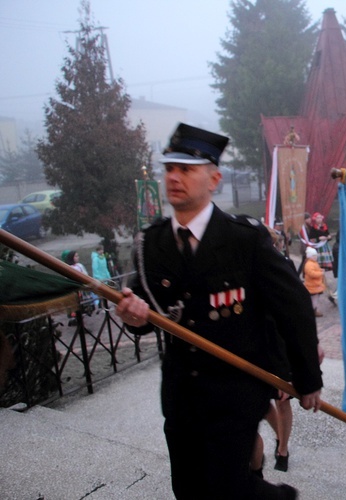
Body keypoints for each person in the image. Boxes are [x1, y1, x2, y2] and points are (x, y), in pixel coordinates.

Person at [115, 122, 323, 500]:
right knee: (189, 492)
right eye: (169, 169)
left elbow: (294, 308)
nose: (174, 177)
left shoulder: (245, 240)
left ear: (214, 179)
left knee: (227, 489)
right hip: (181, 396)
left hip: (236, 393)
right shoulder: (151, 243)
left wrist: (308, 378)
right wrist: (133, 318)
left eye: (187, 169)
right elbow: (148, 314)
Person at [303, 247, 325, 318]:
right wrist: (321, 273)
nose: (316, 257)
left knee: (315, 299)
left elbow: (316, 270)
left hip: (315, 285)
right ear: (310, 256)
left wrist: (320, 270)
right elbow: (312, 274)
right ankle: (312, 311)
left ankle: (314, 310)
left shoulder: (313, 263)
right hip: (313, 286)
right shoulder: (309, 264)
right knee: (313, 300)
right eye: (314, 256)